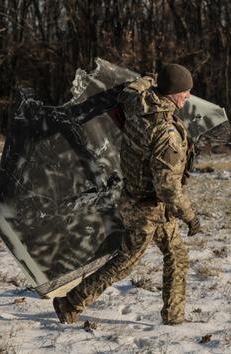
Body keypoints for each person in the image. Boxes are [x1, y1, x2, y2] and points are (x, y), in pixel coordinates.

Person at [53, 63, 201, 325]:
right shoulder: (165, 133)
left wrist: (152, 78)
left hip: (139, 199)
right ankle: (70, 303)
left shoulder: (136, 102)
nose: (188, 97)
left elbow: (135, 86)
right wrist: (190, 216)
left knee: (177, 255)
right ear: (172, 93)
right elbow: (168, 188)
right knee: (124, 262)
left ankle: (174, 318)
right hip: (148, 208)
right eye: (185, 92)